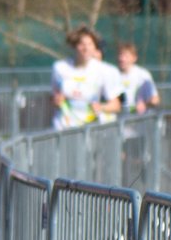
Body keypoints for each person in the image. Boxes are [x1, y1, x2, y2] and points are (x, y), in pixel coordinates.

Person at [51, 26, 121, 130]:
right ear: (74, 46)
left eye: (90, 44)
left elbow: (116, 105)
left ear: (95, 47)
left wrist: (101, 107)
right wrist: (56, 101)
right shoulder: (60, 68)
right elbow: (54, 98)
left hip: (89, 130)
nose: (86, 48)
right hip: (64, 128)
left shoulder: (105, 70)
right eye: (82, 44)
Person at [115, 42, 160, 187]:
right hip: (119, 128)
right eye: (120, 55)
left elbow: (155, 99)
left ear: (134, 58)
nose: (122, 58)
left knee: (135, 161)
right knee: (121, 162)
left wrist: (144, 104)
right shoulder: (113, 75)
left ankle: (145, 188)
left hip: (139, 128)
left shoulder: (142, 75)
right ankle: (123, 195)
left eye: (126, 55)